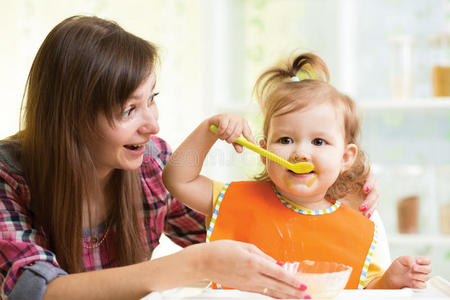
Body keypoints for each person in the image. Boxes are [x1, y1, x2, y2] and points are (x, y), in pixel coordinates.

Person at [0, 15, 325, 300]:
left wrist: (329, 193)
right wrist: (195, 264)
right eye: (129, 110)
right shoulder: (8, 176)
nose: (153, 125)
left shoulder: (152, 165)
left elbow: (249, 235)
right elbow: (36, 291)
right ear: (71, 118)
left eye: (151, 99)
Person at [162, 53, 432, 294]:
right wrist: (208, 130)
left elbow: (365, 291)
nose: (300, 153)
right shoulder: (234, 198)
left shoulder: (357, 228)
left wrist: (393, 280)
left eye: (318, 142)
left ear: (345, 157)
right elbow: (177, 180)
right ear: (264, 150)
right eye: (286, 140)